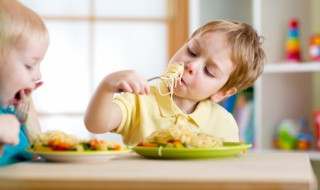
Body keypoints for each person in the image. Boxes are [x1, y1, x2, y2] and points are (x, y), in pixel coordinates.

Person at [84, 20, 265, 145]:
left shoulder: (224, 122)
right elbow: (96, 124)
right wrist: (107, 86)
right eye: (192, 51)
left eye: (209, 71)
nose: (191, 65)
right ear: (185, 43)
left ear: (222, 93)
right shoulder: (139, 100)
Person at [0, 0, 48, 166]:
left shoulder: (10, 106)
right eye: (29, 65)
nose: (38, 75)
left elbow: (36, 153)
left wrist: (27, 118)